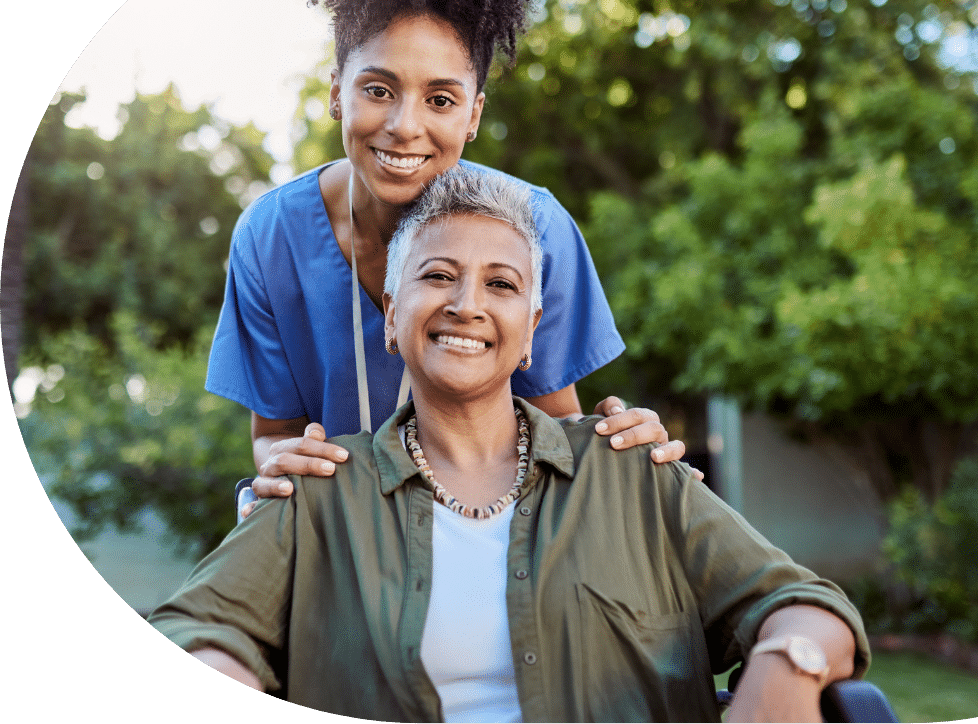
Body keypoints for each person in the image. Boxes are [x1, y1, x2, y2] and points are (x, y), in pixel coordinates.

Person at [152, 166, 869, 723]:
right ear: (392, 318)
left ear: (530, 334)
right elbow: (192, 631)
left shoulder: (631, 472)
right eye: (437, 276)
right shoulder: (319, 494)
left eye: (501, 283)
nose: (467, 303)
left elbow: (803, 602)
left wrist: (786, 664)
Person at [205, 0, 696, 514]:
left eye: (440, 100)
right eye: (378, 90)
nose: (405, 127)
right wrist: (281, 465)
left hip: (491, 528)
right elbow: (274, 436)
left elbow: (557, 434)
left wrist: (624, 451)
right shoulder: (271, 236)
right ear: (336, 92)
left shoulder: (532, 228)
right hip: (344, 536)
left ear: (474, 115)